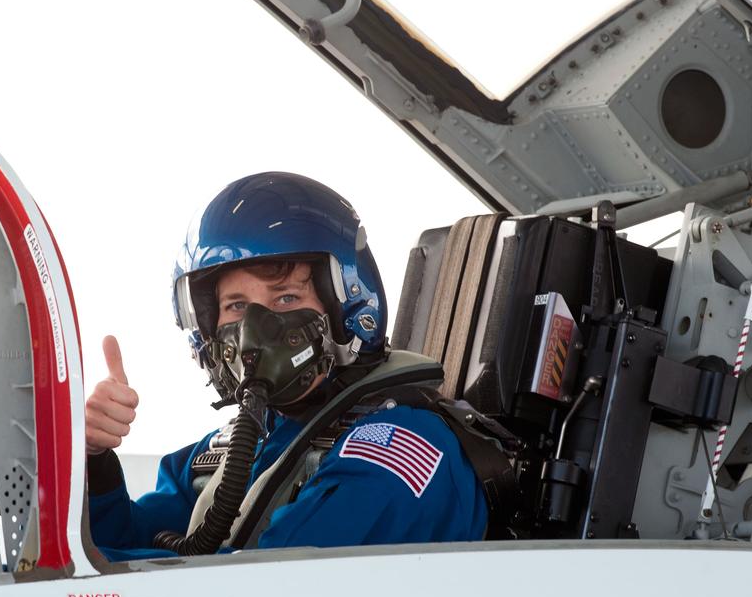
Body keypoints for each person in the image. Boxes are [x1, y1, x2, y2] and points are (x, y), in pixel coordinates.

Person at [85, 172, 487, 561]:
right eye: (237, 306)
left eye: (286, 298)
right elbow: (121, 545)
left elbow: (265, 589)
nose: (255, 329)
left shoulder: (396, 452)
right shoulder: (232, 449)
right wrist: (92, 457)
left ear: (343, 306)